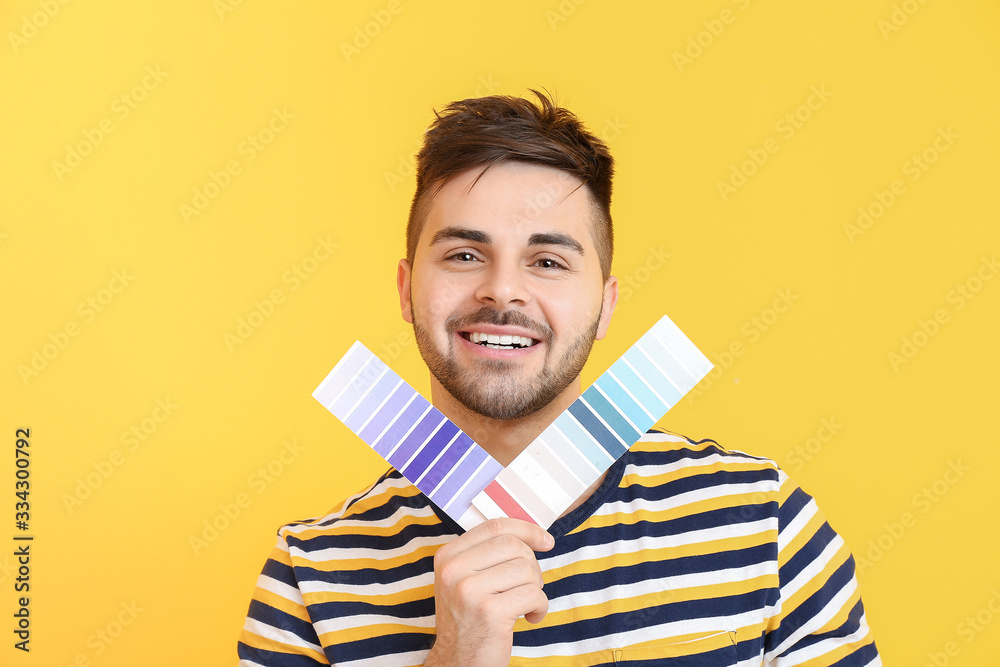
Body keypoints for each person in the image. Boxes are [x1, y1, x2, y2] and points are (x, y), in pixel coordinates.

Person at [237, 90, 880, 666]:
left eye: (547, 260)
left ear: (605, 304)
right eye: (464, 255)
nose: (503, 291)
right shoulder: (310, 577)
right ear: (408, 292)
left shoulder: (762, 522)